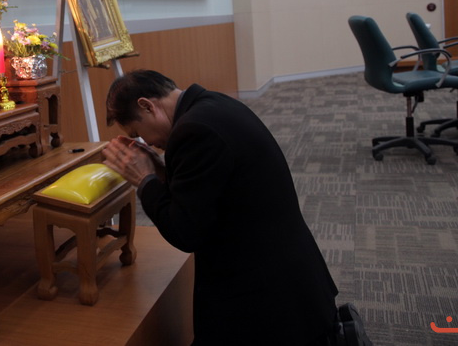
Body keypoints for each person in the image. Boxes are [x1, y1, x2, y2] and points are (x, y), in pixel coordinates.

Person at [102, 70, 371, 345]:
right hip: (288, 273)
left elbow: (185, 232)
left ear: (147, 106)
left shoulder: (193, 131)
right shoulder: (212, 105)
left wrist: (144, 181)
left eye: (138, 133)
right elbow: (206, 187)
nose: (146, 142)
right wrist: (160, 172)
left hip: (266, 297)